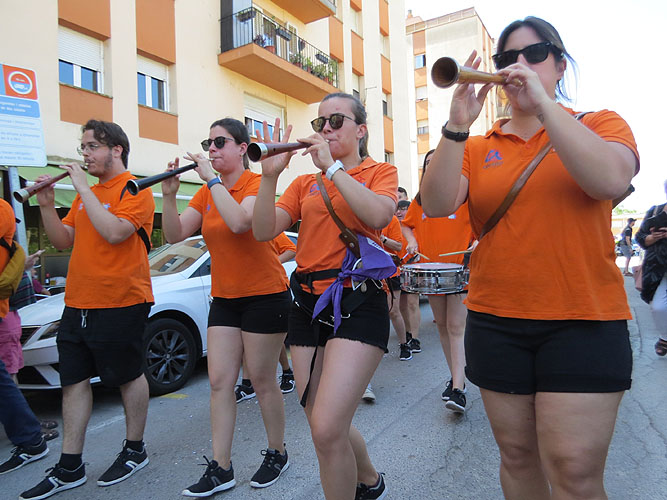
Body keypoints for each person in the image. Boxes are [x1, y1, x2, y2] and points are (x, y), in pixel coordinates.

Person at [421, 16, 639, 499]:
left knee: (574, 473)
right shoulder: (477, 146)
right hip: (497, 321)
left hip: (584, 320)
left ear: (560, 66)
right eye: (506, 58)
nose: (517, 65)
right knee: (518, 458)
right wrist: (456, 127)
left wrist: (544, 106)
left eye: (534, 54)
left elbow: (608, 180)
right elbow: (435, 205)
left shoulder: (600, 124)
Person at [252, 92, 397, 500]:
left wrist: (333, 168)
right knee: (321, 422)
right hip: (307, 305)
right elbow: (262, 231)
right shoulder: (304, 183)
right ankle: (368, 480)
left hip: (358, 301)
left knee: (328, 427)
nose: (326, 129)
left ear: (360, 130)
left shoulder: (379, 171)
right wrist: (268, 177)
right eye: (320, 123)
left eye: (336, 121)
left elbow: (379, 215)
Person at [21, 120, 155, 500]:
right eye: (83, 147)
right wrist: (47, 205)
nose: (85, 154)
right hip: (77, 302)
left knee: (128, 376)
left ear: (116, 150)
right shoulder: (88, 195)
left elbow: (115, 233)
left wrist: (81, 187)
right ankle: (70, 466)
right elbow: (63, 239)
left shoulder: (135, 189)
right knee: (73, 382)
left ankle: (135, 449)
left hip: (121, 300)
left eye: (92, 146)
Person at [160, 118, 291, 497]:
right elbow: (174, 234)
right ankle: (221, 467)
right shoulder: (206, 194)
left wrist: (211, 181)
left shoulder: (253, 184)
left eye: (220, 142)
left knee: (263, 380)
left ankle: (277, 452)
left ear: (241, 148)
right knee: (219, 382)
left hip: (265, 295)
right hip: (225, 298)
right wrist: (168, 196)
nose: (212, 149)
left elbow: (239, 222)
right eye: (209, 143)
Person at [402, 149, 474, 413]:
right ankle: (455, 378)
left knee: (455, 326)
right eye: (428, 163)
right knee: (443, 326)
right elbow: (406, 225)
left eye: (437, 161)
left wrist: (478, 241)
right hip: (430, 271)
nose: (433, 166)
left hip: (459, 270)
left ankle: (459, 388)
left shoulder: (465, 194)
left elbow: (485, 223)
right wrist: (411, 241)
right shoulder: (421, 199)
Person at [235, 232, 297, 402]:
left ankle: (287, 372)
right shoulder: (234, 234)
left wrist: (269, 263)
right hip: (244, 292)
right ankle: (248, 383)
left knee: (270, 338)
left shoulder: (264, 228)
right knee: (247, 337)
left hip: (272, 290)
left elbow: (291, 249)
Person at [635, 179, 667, 356]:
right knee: (658, 307)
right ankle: (665, 336)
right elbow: (640, 238)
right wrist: (653, 238)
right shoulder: (655, 211)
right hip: (658, 268)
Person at [380, 209, 411, 361]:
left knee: (393, 311)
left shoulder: (391, 220)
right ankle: (379, 344)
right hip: (371, 271)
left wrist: (381, 238)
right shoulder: (362, 218)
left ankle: (404, 344)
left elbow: (398, 246)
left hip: (390, 271)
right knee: (378, 311)